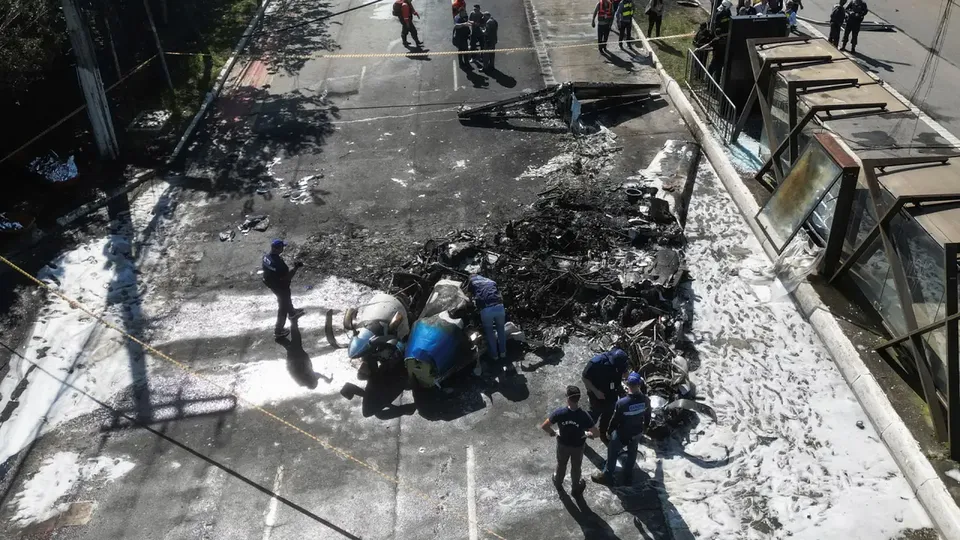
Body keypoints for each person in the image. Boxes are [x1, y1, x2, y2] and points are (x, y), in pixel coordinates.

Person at [591, 372, 651, 486]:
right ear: (639, 385)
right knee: (632, 452)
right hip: (637, 432)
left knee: (612, 452)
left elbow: (615, 420)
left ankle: (607, 476)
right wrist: (645, 428)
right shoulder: (646, 400)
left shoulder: (622, 403)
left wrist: (609, 432)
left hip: (623, 434)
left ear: (628, 385)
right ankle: (628, 475)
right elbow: (648, 416)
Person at [540, 385, 601, 494]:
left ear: (567, 398)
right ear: (578, 398)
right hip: (578, 446)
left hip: (563, 444)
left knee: (561, 464)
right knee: (576, 467)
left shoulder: (560, 413)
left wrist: (553, 433)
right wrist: (587, 434)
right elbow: (596, 434)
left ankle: (558, 482)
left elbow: (544, 426)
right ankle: (575, 487)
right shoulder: (584, 416)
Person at [581, 347, 630, 443]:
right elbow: (584, 378)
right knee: (593, 415)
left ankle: (603, 434)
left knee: (608, 416)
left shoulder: (621, 362)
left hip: (612, 394)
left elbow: (624, 375)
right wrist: (595, 391)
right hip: (597, 396)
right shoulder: (596, 363)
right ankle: (582, 433)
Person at [262, 239, 305, 338]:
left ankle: (293, 313)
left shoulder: (266, 257)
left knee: (285, 300)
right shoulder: (279, 264)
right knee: (282, 307)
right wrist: (296, 268)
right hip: (280, 286)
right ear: (278, 249)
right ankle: (278, 330)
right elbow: (287, 277)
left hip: (271, 283)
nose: (283, 249)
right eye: (282, 247)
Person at [466, 274, 506, 362]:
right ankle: (503, 353)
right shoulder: (491, 281)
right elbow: (499, 294)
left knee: (490, 333)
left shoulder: (472, 281)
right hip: (499, 307)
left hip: (486, 309)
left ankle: (495, 356)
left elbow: (468, 298)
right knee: (501, 330)